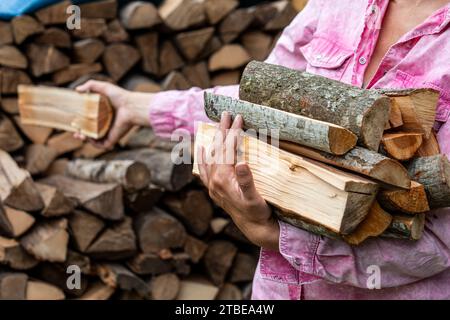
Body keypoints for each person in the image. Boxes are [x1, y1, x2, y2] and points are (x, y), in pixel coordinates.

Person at [76, 0, 450, 299]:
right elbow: (261, 106)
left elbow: (440, 242)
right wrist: (137, 107)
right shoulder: (340, 3)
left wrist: (271, 235)